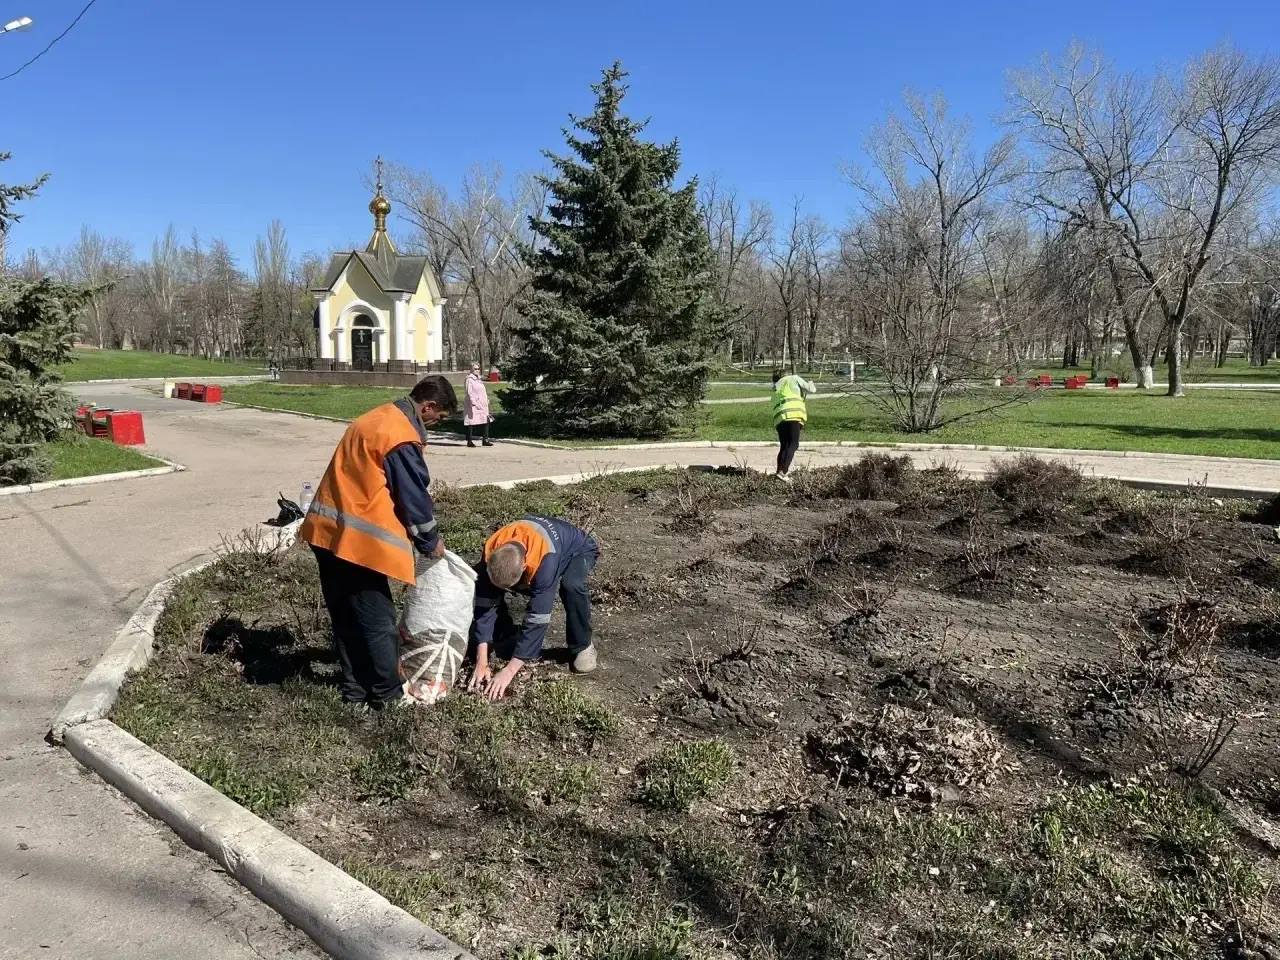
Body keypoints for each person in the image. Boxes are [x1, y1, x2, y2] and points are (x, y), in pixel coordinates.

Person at [299, 375, 458, 708]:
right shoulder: (399, 436)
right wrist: (430, 541)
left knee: (346, 616)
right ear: (428, 406)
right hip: (359, 545)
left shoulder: (378, 417)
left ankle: (355, 692)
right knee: (377, 621)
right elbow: (412, 496)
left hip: (326, 530)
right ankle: (387, 694)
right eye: (438, 417)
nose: (435, 423)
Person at [467, 515, 600, 700]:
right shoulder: (490, 551)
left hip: (579, 549)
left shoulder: (546, 562)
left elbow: (538, 618)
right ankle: (506, 633)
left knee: (572, 585)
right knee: (488, 589)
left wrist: (509, 671)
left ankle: (582, 645)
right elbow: (484, 604)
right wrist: (481, 661)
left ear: (524, 566)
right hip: (539, 548)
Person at [771, 368, 817, 483]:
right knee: (793, 444)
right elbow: (812, 390)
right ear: (786, 374)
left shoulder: (776, 386)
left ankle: (778, 473)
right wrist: (811, 382)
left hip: (779, 417)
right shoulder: (794, 378)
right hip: (793, 414)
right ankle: (783, 472)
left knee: (784, 445)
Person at [463, 362, 493, 447]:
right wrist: (474, 402)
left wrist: (486, 399)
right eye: (475, 369)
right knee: (471, 421)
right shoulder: (469, 379)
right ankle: (469, 441)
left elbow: (482, 391)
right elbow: (469, 392)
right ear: (471, 369)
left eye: (478, 369)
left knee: (486, 420)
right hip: (473, 404)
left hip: (482, 403)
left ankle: (485, 439)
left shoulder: (479, 379)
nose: (477, 370)